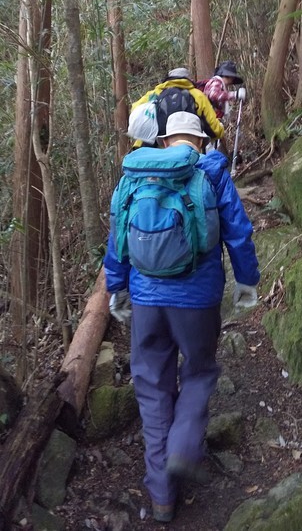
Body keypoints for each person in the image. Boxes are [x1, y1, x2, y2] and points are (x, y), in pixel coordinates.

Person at [104, 110, 260, 524]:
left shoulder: (133, 177)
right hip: (198, 299)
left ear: (164, 140)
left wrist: (116, 289)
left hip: (146, 302)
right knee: (199, 372)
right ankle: (184, 448)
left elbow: (116, 236)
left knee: (152, 387)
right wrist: (247, 281)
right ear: (200, 142)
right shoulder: (211, 173)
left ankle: (161, 497)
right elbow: (239, 232)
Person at [131, 66, 224, 147]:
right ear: (189, 79)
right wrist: (220, 129)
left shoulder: (154, 94)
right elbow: (214, 130)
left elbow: (135, 114)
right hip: (187, 149)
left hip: (154, 149)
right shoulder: (198, 95)